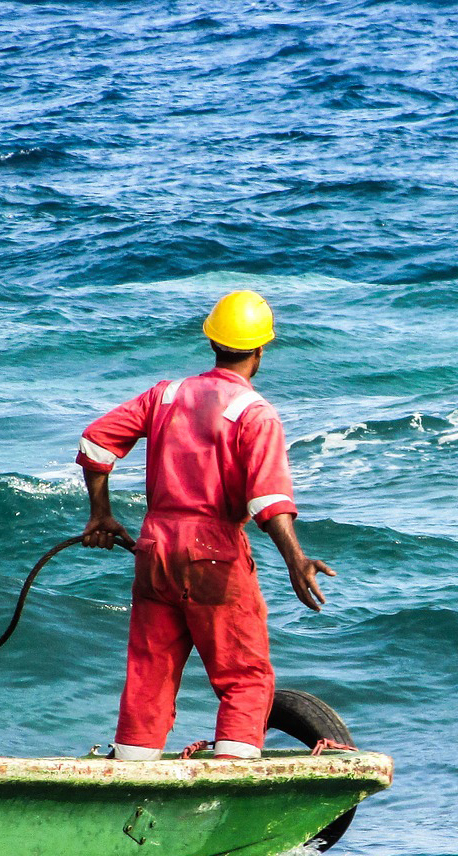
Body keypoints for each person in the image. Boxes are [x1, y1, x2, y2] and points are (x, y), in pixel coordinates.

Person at [75, 290, 334, 761]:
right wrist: (296, 560)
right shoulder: (255, 414)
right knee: (244, 676)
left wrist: (101, 514)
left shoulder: (166, 395)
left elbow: (96, 444)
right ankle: (233, 775)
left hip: (154, 550)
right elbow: (268, 500)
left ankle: (132, 769)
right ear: (260, 352)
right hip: (215, 553)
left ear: (213, 343)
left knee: (149, 672)